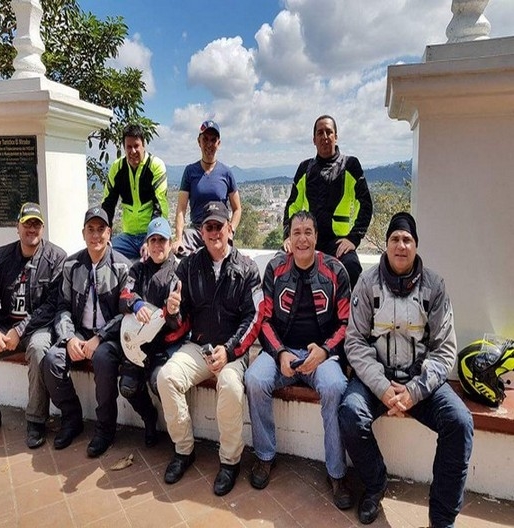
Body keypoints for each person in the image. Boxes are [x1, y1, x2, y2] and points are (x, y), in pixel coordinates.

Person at [339, 212, 474, 527]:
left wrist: (414, 391)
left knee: (459, 422)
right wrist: (383, 388)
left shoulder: (435, 287)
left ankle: (441, 519)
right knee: (349, 412)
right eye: (395, 239)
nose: (401, 245)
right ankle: (375, 484)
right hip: (377, 378)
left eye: (407, 239)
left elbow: (444, 349)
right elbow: (355, 343)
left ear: (415, 245)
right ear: (386, 245)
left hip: (421, 380)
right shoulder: (367, 283)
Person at [245, 210, 352, 509]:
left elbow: (346, 324)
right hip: (283, 351)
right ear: (289, 238)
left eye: (308, 232)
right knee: (254, 380)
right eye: (297, 232)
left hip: (323, 355)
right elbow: (263, 319)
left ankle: (336, 472)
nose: (302, 238)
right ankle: (265, 456)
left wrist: (325, 351)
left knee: (334, 387)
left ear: (317, 237)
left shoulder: (335, 270)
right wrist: (279, 352)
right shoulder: (276, 269)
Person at [157, 201, 263, 496]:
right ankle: (183, 450)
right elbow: (180, 315)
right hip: (198, 345)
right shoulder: (189, 267)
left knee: (229, 385)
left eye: (220, 225)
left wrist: (229, 351)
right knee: (167, 378)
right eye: (209, 227)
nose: (215, 232)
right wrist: (173, 311)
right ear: (201, 232)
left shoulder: (247, 269)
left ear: (231, 228)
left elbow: (254, 317)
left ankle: (230, 461)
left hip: (233, 352)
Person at [43, 206, 155, 457]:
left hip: (112, 337)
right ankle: (71, 418)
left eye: (101, 230)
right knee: (51, 359)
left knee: (103, 359)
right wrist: (69, 337)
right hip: (79, 333)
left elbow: (125, 313)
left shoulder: (124, 267)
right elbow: (62, 307)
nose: (96, 236)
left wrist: (100, 337)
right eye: (91, 230)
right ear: (83, 233)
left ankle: (105, 428)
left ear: (109, 233)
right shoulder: (71, 265)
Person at [0, 202, 66, 448]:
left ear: (42, 228)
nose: (31, 229)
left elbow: (51, 306)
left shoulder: (56, 258)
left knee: (38, 351)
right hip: (4, 326)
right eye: (27, 224)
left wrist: (19, 330)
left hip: (38, 328)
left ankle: (36, 419)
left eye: (36, 224)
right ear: (18, 227)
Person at [283, 114, 373, 288]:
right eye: (320, 133)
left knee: (352, 268)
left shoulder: (350, 165)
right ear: (314, 139)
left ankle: (347, 315)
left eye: (329, 132)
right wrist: (288, 236)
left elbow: (365, 204)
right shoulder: (305, 168)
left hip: (338, 242)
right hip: (307, 239)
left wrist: (353, 238)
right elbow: (293, 205)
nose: (325, 137)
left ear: (336, 136)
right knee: (280, 263)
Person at [118, 216, 182, 442]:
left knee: (159, 383)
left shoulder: (179, 272)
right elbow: (124, 295)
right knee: (127, 387)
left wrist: (173, 312)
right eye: (153, 240)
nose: (157, 246)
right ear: (147, 242)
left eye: (162, 241)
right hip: (136, 345)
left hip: (165, 345)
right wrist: (135, 304)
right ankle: (148, 417)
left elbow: (181, 322)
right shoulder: (138, 269)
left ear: (170, 242)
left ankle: (178, 435)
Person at [172, 120, 241, 256]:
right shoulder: (190, 172)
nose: (209, 144)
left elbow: (237, 208)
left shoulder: (226, 172)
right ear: (199, 142)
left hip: (220, 231)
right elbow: (181, 208)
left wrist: (230, 230)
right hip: (197, 232)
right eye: (205, 139)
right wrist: (179, 238)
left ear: (218, 143)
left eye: (213, 140)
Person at [102, 123, 169, 260]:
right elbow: (108, 204)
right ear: (124, 148)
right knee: (103, 253)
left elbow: (160, 206)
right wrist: (105, 235)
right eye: (129, 147)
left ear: (143, 145)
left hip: (152, 235)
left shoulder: (155, 166)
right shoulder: (117, 168)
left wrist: (149, 238)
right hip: (128, 236)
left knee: (153, 260)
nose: (133, 151)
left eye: (136, 146)